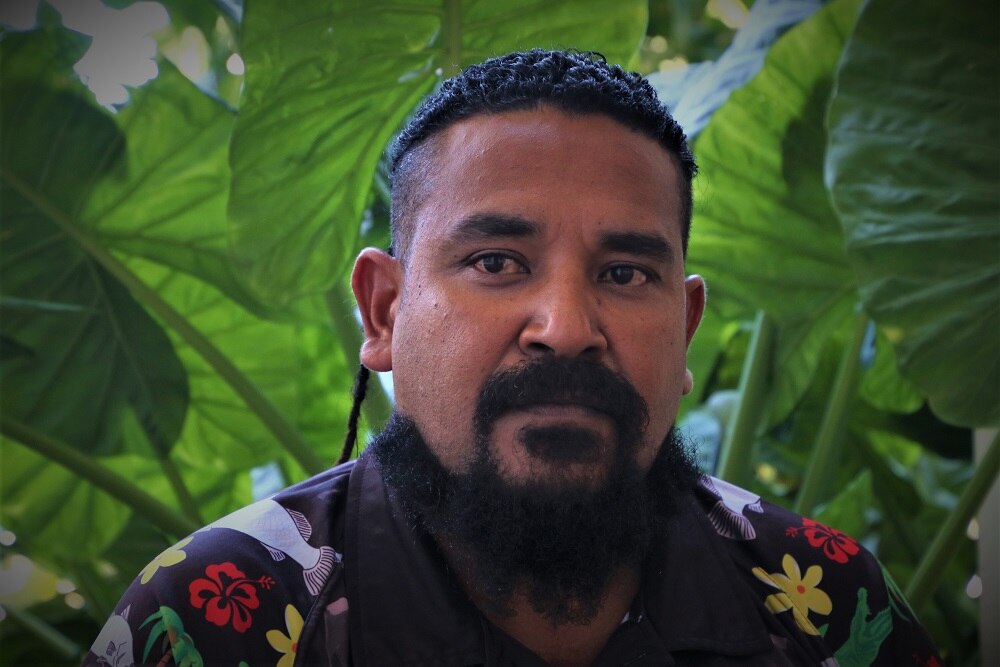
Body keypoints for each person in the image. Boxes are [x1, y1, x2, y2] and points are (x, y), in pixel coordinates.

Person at [86, 49, 940, 667]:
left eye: (624, 272)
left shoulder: (826, 603)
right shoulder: (217, 614)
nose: (566, 327)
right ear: (384, 311)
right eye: (496, 262)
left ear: (684, 330)